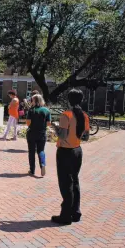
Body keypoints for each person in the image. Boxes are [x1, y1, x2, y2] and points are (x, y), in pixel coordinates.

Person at [51, 89, 90, 225]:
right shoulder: (84, 116)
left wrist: (55, 126)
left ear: (68, 100)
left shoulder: (66, 115)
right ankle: (76, 212)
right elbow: (86, 137)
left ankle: (65, 215)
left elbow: (62, 136)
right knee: (75, 181)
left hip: (65, 151)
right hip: (77, 150)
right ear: (81, 100)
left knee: (65, 183)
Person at [26, 94, 51, 177]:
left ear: (35, 101)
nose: (31, 101)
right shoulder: (46, 110)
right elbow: (49, 124)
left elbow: (28, 123)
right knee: (41, 150)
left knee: (31, 152)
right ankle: (42, 164)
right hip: (42, 134)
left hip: (31, 133)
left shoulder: (31, 110)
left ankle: (32, 170)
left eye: (32, 100)